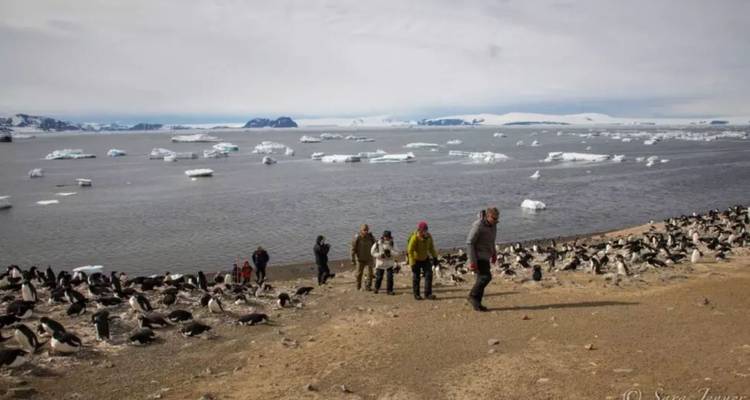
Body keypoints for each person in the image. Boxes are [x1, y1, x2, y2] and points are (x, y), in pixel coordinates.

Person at [466, 207, 499, 312]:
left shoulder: (493, 226)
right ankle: (472, 296)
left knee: (481, 279)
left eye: (497, 219)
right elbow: (470, 242)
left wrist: (494, 253)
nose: (496, 221)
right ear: (488, 216)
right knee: (486, 277)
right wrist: (472, 262)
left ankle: (477, 304)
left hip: (486, 255)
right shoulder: (478, 225)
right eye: (494, 218)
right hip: (477, 256)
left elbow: (492, 241)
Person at [407, 221, 439, 300]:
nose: (425, 232)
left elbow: (431, 248)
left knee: (429, 275)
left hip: (425, 258)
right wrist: (412, 263)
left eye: (426, 230)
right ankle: (416, 294)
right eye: (423, 230)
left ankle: (428, 294)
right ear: (420, 230)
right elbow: (410, 250)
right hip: (416, 259)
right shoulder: (415, 237)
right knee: (416, 277)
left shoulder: (429, 237)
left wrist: (435, 258)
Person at [371, 230, 398, 295]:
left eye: (388, 237)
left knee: (390, 278)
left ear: (390, 237)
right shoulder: (378, 243)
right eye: (385, 236)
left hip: (389, 263)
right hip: (380, 263)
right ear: (383, 236)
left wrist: (390, 253)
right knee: (379, 277)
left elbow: (397, 253)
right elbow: (372, 252)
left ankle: (389, 291)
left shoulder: (392, 243)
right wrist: (380, 255)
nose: (386, 238)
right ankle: (376, 288)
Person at [351, 224, 376, 291]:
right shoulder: (357, 237)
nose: (366, 231)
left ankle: (368, 286)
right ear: (361, 230)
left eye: (367, 230)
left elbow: (376, 246)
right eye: (364, 230)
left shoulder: (371, 237)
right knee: (359, 274)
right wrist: (352, 259)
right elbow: (353, 249)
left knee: (370, 273)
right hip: (360, 259)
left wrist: (376, 256)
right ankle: (358, 287)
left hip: (369, 258)